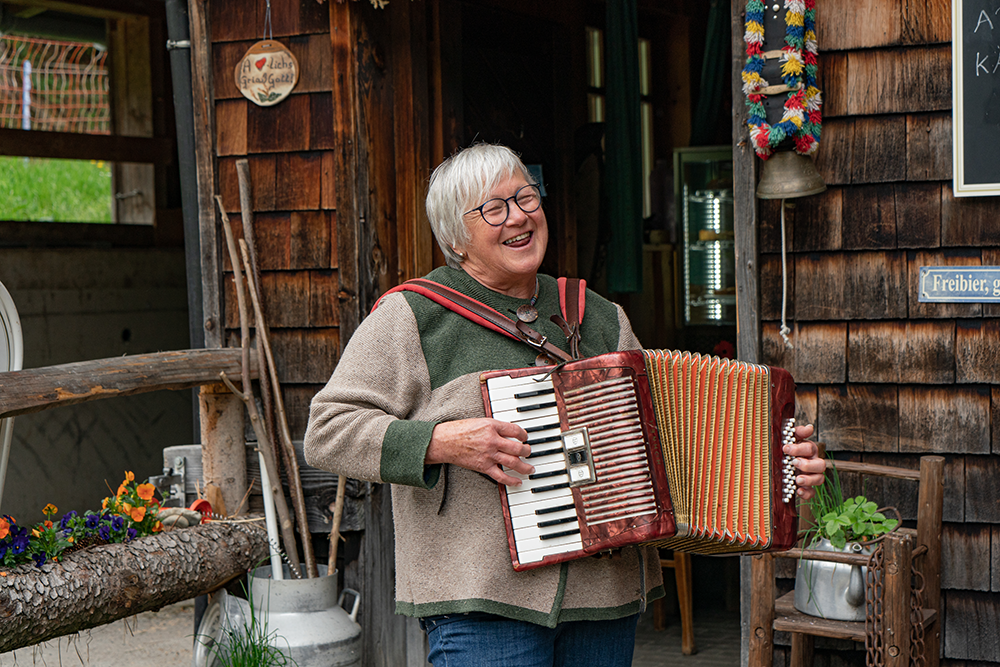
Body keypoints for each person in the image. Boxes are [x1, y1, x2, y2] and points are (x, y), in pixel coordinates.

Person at [303, 143, 825, 667]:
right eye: (494, 208)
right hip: (484, 601)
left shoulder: (597, 315)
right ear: (455, 240)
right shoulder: (413, 316)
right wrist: (442, 442)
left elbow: (667, 442)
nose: (519, 216)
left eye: (525, 197)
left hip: (604, 596)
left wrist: (773, 466)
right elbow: (328, 430)